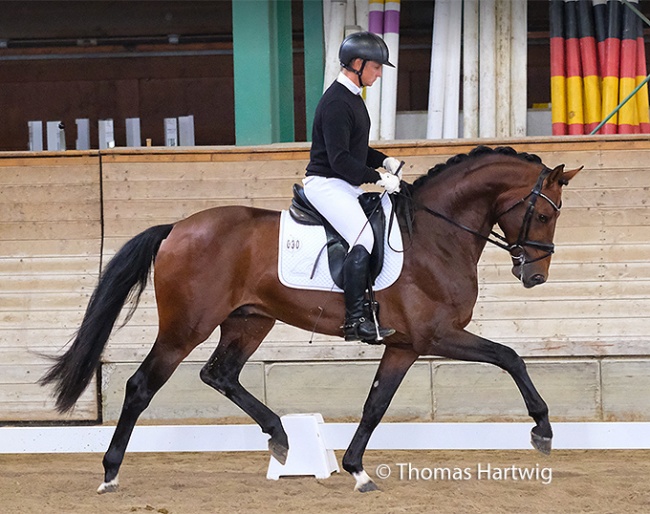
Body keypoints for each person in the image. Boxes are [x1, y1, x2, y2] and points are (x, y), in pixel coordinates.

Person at [303, 31, 402, 343]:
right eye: (375, 67)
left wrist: (384, 160)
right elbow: (340, 159)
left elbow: (356, 149)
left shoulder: (352, 99)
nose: (379, 73)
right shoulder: (335, 102)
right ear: (357, 64)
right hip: (327, 184)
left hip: (343, 185)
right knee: (364, 238)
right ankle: (355, 321)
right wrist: (376, 178)